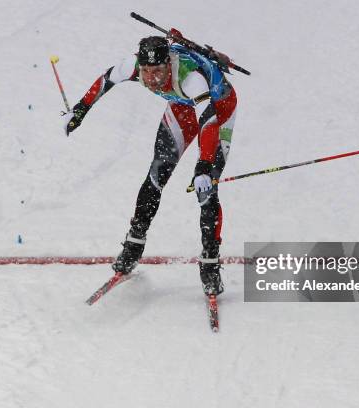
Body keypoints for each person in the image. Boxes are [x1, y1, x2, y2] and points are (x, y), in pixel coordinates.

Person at [64, 34, 237, 296]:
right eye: (146, 71)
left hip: (218, 110)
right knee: (157, 173)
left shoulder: (191, 78)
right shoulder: (133, 66)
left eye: (158, 71)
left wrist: (203, 167)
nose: (152, 78)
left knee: (206, 188)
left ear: (169, 65)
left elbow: (209, 120)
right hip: (182, 106)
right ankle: (133, 246)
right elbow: (105, 80)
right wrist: (79, 111)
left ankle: (210, 264)